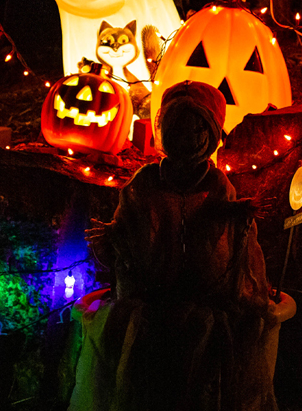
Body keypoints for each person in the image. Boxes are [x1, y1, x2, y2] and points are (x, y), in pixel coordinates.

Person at [81, 81, 277, 411]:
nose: (190, 138)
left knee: (209, 337)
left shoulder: (216, 184)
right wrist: (119, 235)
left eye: (199, 128)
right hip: (153, 291)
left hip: (206, 292)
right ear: (165, 129)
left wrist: (235, 216)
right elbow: (131, 223)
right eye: (180, 128)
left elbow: (226, 238)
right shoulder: (145, 182)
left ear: (212, 132)